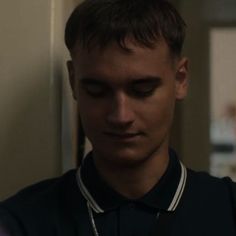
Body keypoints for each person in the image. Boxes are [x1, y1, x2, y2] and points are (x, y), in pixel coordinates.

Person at [0, 0, 236, 235]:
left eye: (142, 89)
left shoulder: (229, 209)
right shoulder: (19, 222)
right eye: (97, 91)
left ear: (180, 79)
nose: (120, 116)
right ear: (73, 81)